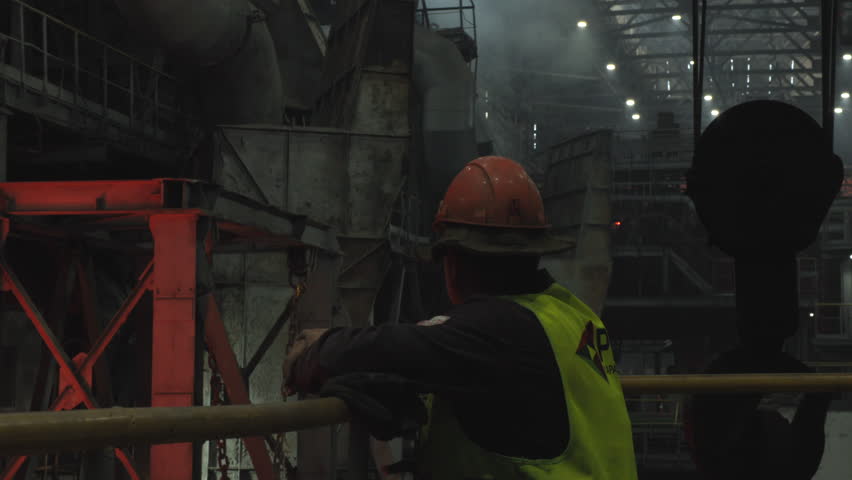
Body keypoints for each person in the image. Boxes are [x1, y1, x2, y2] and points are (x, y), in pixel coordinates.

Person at [283, 156, 638, 479]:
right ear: (534, 253)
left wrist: (318, 348)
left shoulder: (500, 331)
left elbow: (395, 346)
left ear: (453, 261)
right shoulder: (572, 316)